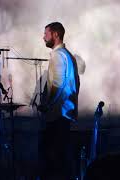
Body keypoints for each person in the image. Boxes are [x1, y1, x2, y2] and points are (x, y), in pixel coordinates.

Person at [38, 22, 80, 180]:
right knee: (63, 157)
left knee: (54, 158)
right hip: (65, 112)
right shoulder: (68, 55)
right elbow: (76, 83)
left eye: (46, 34)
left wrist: (47, 104)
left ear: (55, 35)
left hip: (57, 114)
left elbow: (57, 83)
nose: (43, 37)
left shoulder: (57, 55)